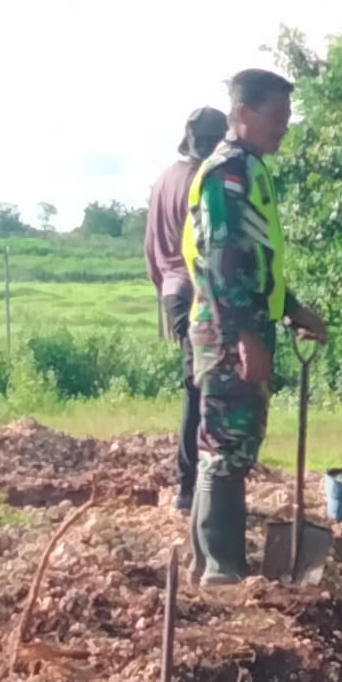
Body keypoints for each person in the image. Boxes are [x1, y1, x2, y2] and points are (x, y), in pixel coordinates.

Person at [183, 68, 329, 586]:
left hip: (245, 323)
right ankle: (219, 568)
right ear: (243, 115)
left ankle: (213, 562)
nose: (285, 127)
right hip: (226, 330)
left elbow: (255, 261)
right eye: (277, 117)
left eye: (288, 117)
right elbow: (223, 261)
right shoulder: (228, 174)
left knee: (236, 445)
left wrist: (292, 309)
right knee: (226, 444)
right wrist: (245, 337)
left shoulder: (252, 170)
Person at [146, 106, 228, 513]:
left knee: (196, 389)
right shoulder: (206, 182)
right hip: (200, 294)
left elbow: (150, 252)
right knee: (204, 391)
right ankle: (191, 487)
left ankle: (191, 487)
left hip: (173, 293)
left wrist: (165, 294)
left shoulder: (163, 181)